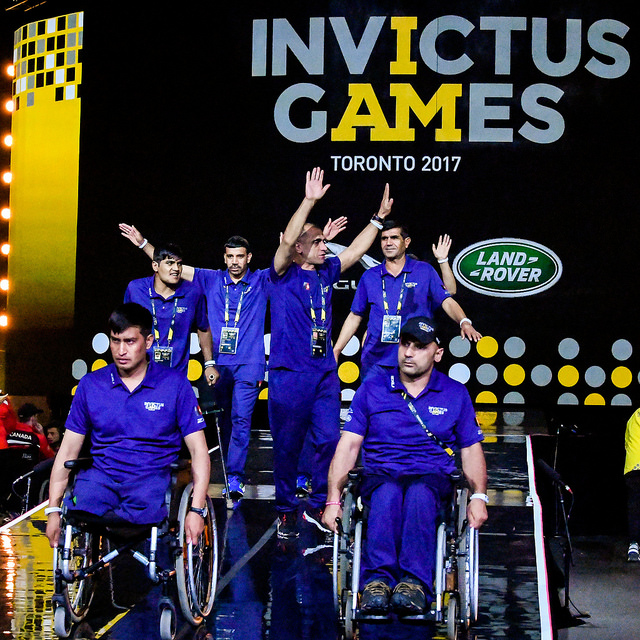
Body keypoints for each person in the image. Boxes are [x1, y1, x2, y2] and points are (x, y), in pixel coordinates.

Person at [323, 316, 488, 616]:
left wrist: (478, 497)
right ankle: (377, 582)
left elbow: (471, 450)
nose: (409, 352)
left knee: (418, 495)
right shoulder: (372, 389)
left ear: (437, 354)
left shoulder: (455, 393)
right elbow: (347, 446)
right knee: (386, 494)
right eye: (405, 344)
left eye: (420, 347)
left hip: (431, 476)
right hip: (381, 474)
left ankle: (414, 583)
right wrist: (333, 500)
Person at [269, 167, 393, 539]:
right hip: (289, 375)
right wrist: (309, 201)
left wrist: (377, 219)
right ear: (300, 248)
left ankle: (322, 503)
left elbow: (355, 250)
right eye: (320, 241)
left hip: (324, 373)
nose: (327, 246)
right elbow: (290, 237)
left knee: (328, 440)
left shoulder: (326, 272)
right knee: (288, 448)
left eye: (326, 241)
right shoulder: (281, 274)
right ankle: (286, 508)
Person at [45, 303, 210, 548]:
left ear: (149, 341)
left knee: (148, 507)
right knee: (79, 506)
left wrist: (197, 509)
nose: (121, 350)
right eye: (115, 341)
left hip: (151, 480)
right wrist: (52, 511)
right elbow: (67, 451)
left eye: (130, 342)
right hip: (101, 478)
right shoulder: (91, 385)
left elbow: (199, 451)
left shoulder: (175, 385)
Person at [333, 221, 482, 381]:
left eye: (394, 238)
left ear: (407, 242)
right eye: (384, 239)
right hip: (375, 362)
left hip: (413, 363)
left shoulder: (424, 271)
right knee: (375, 406)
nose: (388, 243)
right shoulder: (370, 276)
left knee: (411, 406)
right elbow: (355, 315)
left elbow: (447, 300)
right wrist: (337, 350)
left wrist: (464, 321)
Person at [123, 241, 212, 376]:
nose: (176, 268)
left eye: (179, 263)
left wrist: (209, 364)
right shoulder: (136, 289)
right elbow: (123, 327)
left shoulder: (193, 292)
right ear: (155, 266)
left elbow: (203, 328)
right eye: (170, 263)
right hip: (139, 374)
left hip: (176, 377)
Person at [624, 408, 640, 562]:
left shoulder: (633, 416)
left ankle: (633, 546)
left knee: (635, 507)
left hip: (633, 468)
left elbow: (627, 443)